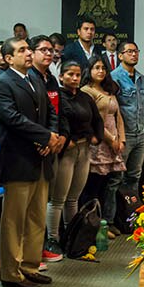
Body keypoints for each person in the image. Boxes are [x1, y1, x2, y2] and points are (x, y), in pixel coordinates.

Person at [0, 37, 63, 287]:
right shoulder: (2, 84)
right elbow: (11, 118)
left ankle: (30, 266)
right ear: (9, 58)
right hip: (18, 158)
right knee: (14, 220)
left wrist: (50, 138)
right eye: (22, 50)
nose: (28, 53)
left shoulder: (34, 78)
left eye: (28, 49)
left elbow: (51, 112)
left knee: (36, 216)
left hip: (41, 158)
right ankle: (11, 272)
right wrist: (43, 136)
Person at [48, 61, 95, 255]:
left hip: (84, 149)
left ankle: (71, 236)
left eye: (77, 75)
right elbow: (60, 121)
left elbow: (95, 120)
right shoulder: (57, 96)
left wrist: (94, 137)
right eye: (70, 74)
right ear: (61, 77)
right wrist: (69, 141)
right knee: (58, 198)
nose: (74, 78)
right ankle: (53, 239)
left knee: (73, 197)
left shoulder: (84, 96)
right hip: (66, 150)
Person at [29, 35, 67, 264]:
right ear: (32, 53)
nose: (48, 54)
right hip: (35, 146)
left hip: (52, 143)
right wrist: (44, 139)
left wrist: (58, 136)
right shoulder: (31, 78)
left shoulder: (50, 79)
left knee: (46, 198)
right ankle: (34, 251)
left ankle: (42, 246)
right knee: (32, 205)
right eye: (43, 49)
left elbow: (56, 111)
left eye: (51, 50)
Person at [81, 56, 126, 224]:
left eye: (103, 68)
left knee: (110, 184)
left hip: (114, 142)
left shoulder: (109, 89)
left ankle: (107, 223)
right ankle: (91, 225)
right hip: (99, 141)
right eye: (96, 67)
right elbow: (94, 120)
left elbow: (118, 117)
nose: (100, 71)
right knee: (94, 187)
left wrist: (121, 139)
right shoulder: (87, 91)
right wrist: (112, 139)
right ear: (89, 70)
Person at [109, 41, 144, 231]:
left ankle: (131, 218)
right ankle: (111, 220)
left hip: (140, 134)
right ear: (120, 55)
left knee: (134, 177)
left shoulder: (141, 78)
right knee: (116, 178)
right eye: (129, 51)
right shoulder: (114, 78)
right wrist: (118, 137)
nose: (134, 54)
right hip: (123, 136)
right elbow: (113, 112)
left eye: (136, 51)